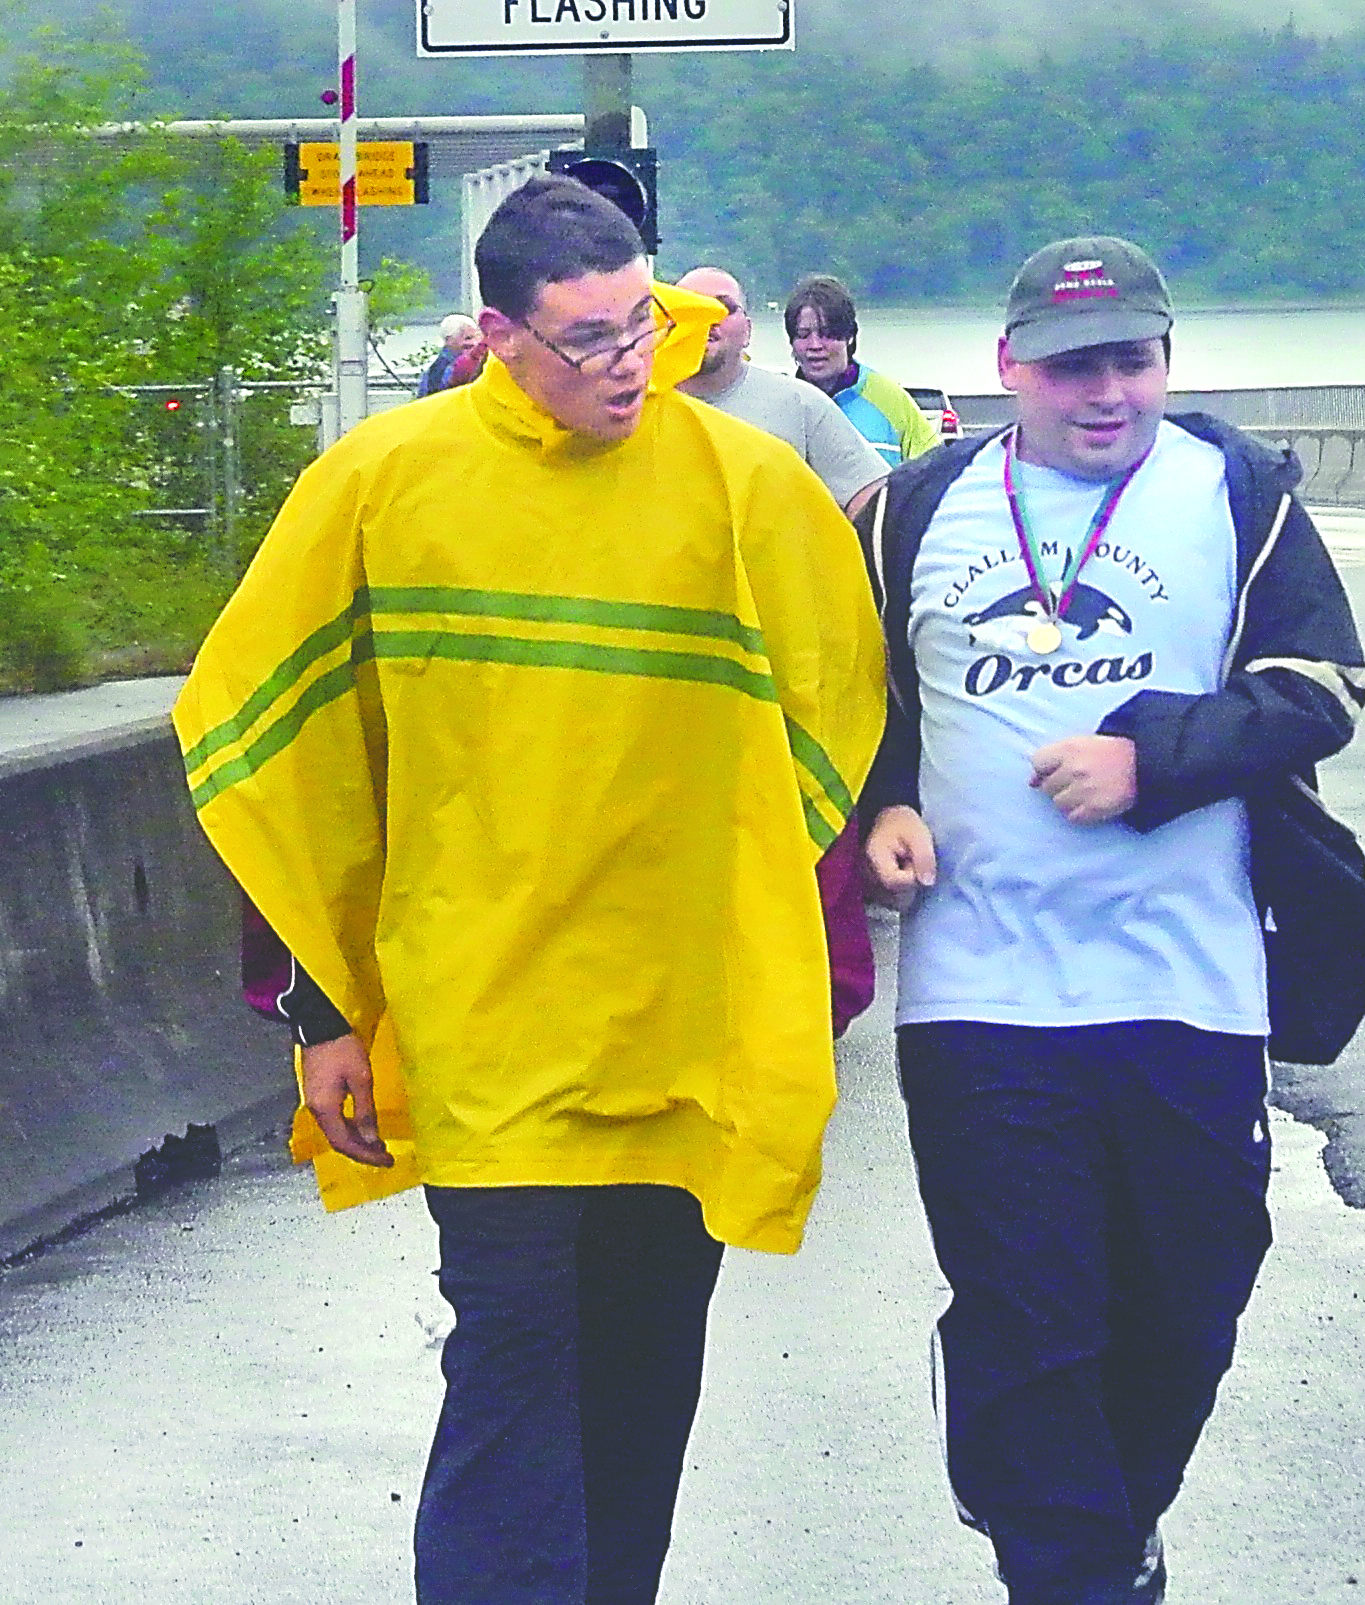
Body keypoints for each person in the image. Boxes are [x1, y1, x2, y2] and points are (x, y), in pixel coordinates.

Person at [172, 174, 885, 1605]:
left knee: (642, 1371)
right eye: (589, 340)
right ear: (499, 333)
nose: (629, 365)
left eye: (646, 326)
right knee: (509, 1355)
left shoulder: (748, 488)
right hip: (482, 1018)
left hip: (680, 1015)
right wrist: (316, 1012)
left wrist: (814, 958)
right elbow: (284, 759)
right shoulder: (381, 486)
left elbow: (840, 731)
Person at [860, 235, 1365, 1605]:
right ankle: (1065, 1565)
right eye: (1074, 366)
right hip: (981, 993)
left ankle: (1102, 1524)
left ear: (1166, 363)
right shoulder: (912, 509)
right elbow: (855, 709)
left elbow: (1325, 687)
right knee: (1029, 1313)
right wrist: (880, 809)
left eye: (1131, 362)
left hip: (1187, 984)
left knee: (1187, 1303)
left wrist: (1156, 759)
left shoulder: (1235, 491)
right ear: (1008, 368)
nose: (1106, 394)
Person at [674, 264, 890, 523]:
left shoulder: (801, 404)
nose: (708, 319)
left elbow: (871, 498)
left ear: (748, 330)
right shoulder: (634, 405)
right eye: (691, 306)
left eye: (724, 308)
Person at [784, 272, 938, 467]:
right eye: (803, 335)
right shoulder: (783, 404)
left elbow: (935, 473)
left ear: (849, 336)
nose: (815, 345)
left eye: (827, 334)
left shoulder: (890, 400)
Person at [417, 313, 484, 395]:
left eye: (476, 337)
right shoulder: (447, 369)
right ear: (449, 340)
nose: (474, 343)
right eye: (468, 338)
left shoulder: (432, 367)